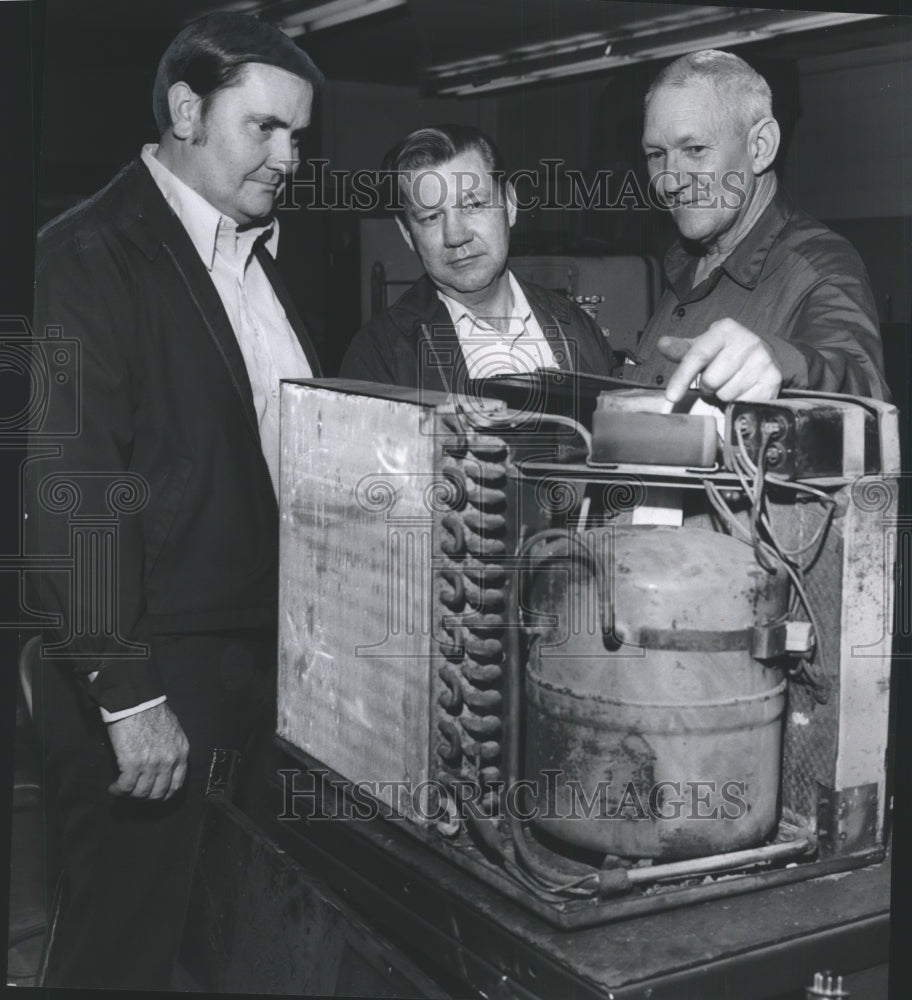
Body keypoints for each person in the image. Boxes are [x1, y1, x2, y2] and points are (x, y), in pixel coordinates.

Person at [26, 12, 322, 990]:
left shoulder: (257, 260)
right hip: (160, 682)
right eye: (265, 128)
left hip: (252, 671)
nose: (288, 155)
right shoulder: (96, 248)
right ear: (188, 109)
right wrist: (128, 690)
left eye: (299, 135)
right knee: (120, 951)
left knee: (225, 942)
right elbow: (77, 481)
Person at [627, 49, 888, 404]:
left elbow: (861, 382)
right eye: (657, 155)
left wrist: (781, 363)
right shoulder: (684, 263)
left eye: (696, 149)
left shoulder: (820, 263)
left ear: (760, 147)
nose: (669, 182)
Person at [340, 124, 613, 390]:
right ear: (408, 233)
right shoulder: (380, 356)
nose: (456, 236)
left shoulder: (577, 327)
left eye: (474, 205)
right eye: (431, 217)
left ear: (510, 204)